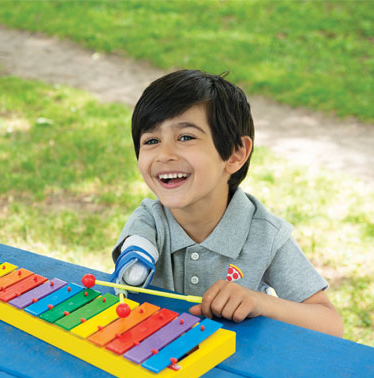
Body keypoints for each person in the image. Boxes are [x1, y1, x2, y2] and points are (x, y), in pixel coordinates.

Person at [111, 70, 343, 337]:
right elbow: (130, 269)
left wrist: (260, 302)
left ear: (235, 154)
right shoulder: (149, 220)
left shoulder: (266, 234)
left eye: (186, 137)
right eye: (151, 141)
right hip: (160, 361)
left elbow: (330, 325)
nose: (164, 155)